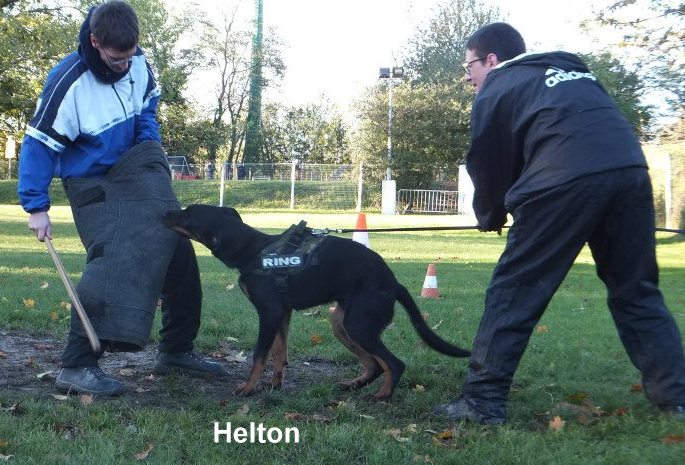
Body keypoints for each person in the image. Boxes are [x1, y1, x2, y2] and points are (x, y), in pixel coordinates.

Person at [433, 22, 685, 424]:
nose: (467, 77)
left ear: (492, 60)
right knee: (636, 290)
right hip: (630, 174)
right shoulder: (577, 75)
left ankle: (481, 404)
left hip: (562, 180)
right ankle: (675, 400)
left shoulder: (498, 85)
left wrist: (491, 214)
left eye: (469, 67)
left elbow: (488, 160)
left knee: (513, 291)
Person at [17, 1, 226, 396]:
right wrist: (36, 206)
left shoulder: (138, 62)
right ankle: (76, 365)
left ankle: (176, 351)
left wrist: (149, 143)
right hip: (92, 183)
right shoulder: (68, 82)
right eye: (117, 58)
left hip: (136, 171)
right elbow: (39, 144)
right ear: (96, 43)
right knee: (113, 259)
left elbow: (147, 106)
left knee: (177, 250)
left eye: (130, 56)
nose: (125, 65)